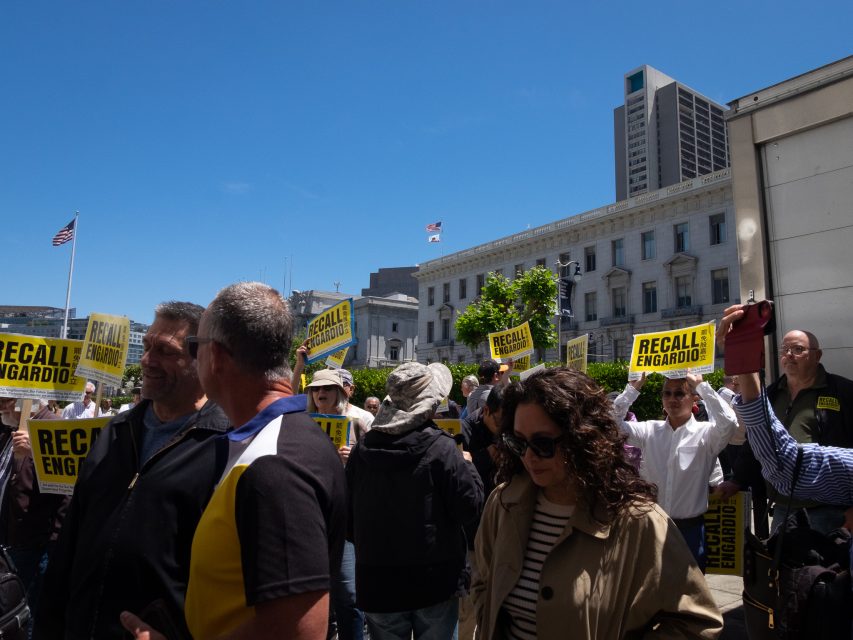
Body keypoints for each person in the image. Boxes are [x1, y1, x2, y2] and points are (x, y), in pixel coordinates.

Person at [123, 282, 346, 640]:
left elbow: (299, 631)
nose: (194, 358)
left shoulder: (276, 465)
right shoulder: (268, 440)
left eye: (195, 347)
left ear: (219, 358)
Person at [471, 367, 722, 639]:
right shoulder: (503, 504)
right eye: (517, 442)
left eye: (543, 444)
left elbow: (696, 623)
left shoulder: (639, 522)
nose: (529, 456)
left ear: (581, 438)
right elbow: (484, 582)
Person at [35, 301, 231, 639]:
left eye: (164, 350)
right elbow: (70, 545)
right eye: (147, 346)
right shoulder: (113, 432)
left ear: (203, 359)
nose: (146, 360)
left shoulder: (226, 446)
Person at [346, 361, 483, 639]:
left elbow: (349, 522)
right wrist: (467, 464)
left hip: (378, 582)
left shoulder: (362, 451)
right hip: (435, 582)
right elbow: (470, 507)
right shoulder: (443, 448)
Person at [717, 327, 853, 535]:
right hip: (782, 508)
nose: (789, 354)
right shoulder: (772, 393)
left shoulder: (843, 391)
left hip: (829, 511)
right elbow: (755, 441)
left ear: (817, 355)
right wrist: (737, 480)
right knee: (784, 566)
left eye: (798, 349)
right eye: (785, 350)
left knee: (829, 567)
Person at [611, 373, 737, 571]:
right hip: (651, 527)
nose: (672, 399)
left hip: (690, 532)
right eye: (667, 393)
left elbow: (729, 423)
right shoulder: (649, 430)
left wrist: (702, 386)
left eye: (679, 394)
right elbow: (611, 425)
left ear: (693, 398)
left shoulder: (707, 434)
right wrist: (632, 390)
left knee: (689, 597)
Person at [304, 368, 365, 640]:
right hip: (310, 517)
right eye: (316, 389)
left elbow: (375, 466)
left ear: (340, 392)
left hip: (346, 521)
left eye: (327, 388)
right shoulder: (303, 423)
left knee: (348, 595)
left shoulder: (360, 420)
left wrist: (354, 459)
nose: (321, 394)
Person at [0, 398, 68, 633]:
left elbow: (70, 486)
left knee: (24, 614)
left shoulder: (54, 428)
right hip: (10, 538)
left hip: (32, 544)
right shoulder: (14, 429)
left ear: (27, 400)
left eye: (6, 401)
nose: (2, 407)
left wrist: (38, 453)